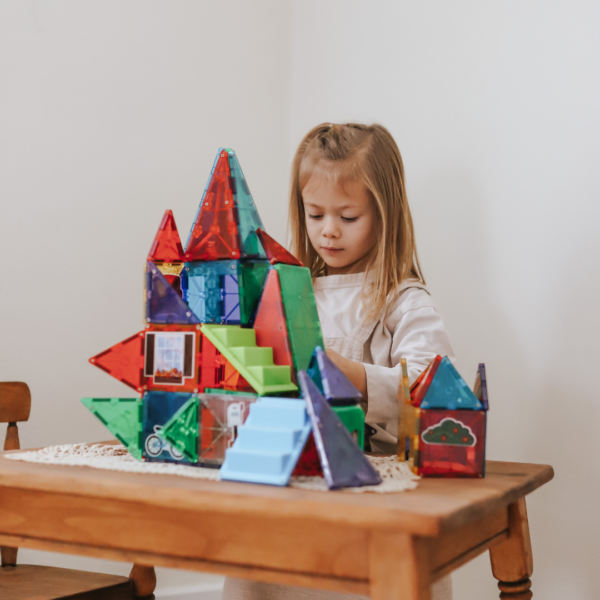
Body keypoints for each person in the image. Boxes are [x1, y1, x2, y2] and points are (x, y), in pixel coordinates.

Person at [222, 123, 454, 600]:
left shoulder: (402, 300)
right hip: (295, 474)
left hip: (376, 481)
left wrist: (350, 375)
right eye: (315, 214)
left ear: (384, 216)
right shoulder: (290, 289)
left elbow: (435, 389)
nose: (328, 230)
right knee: (258, 544)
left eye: (348, 216)